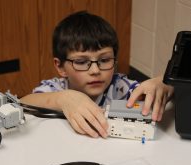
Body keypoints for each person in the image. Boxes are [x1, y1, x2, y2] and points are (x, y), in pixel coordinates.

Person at [20, 11, 174, 138]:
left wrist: (164, 82)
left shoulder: (121, 88)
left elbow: (163, 93)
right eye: (81, 62)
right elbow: (22, 103)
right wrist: (63, 99)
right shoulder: (55, 88)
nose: (95, 70)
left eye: (105, 60)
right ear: (60, 67)